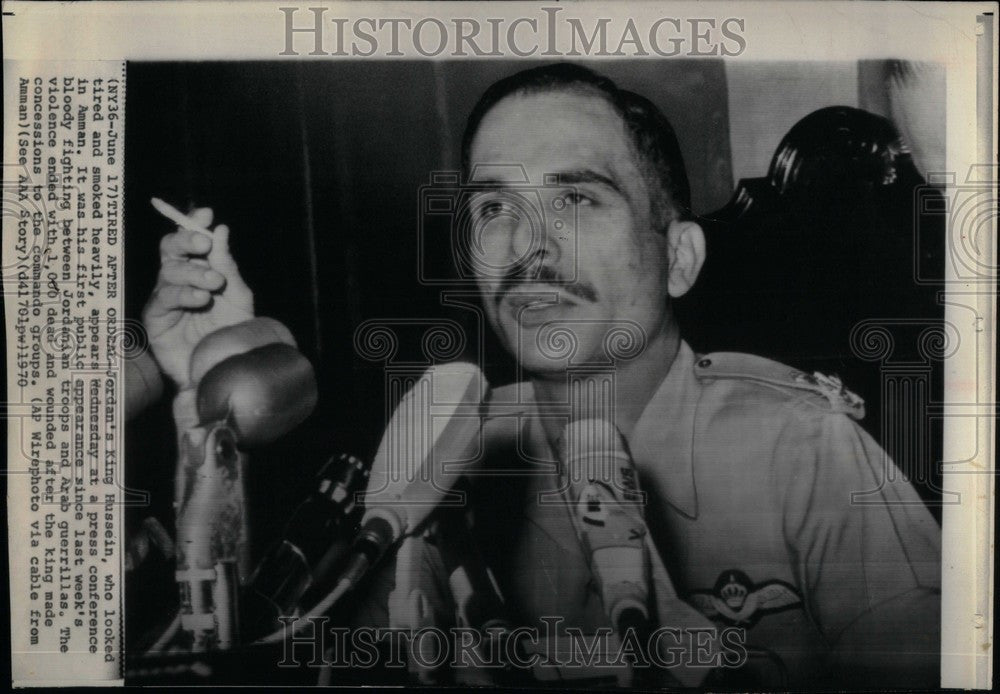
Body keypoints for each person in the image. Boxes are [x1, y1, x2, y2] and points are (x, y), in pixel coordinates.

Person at [143, 63, 940, 688]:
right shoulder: (442, 451)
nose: (527, 244)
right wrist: (208, 408)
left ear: (680, 258)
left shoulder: (801, 449)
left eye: (578, 199)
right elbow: (280, 652)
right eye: (493, 208)